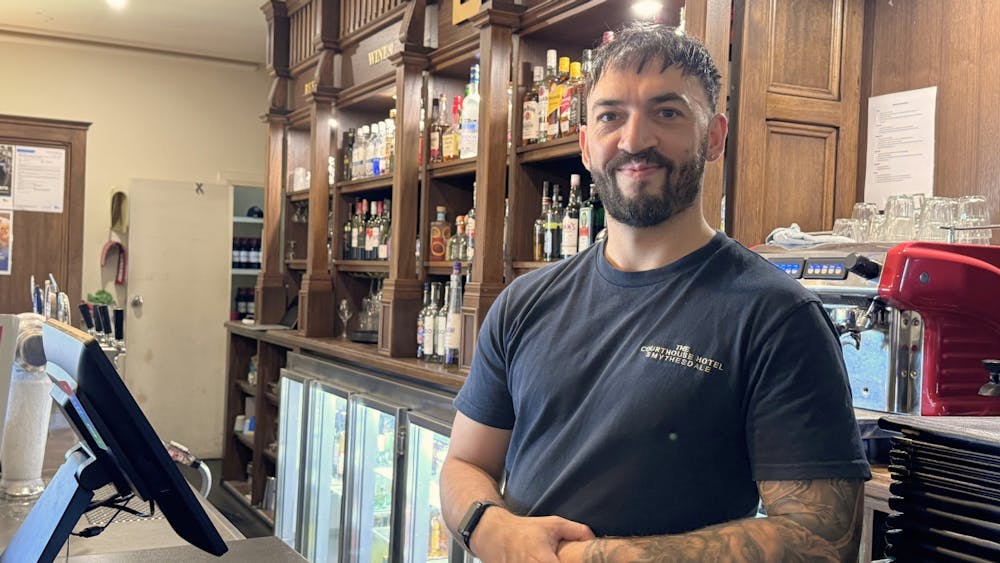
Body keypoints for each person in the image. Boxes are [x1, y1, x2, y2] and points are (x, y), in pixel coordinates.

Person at [440, 23, 870, 563]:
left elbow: (823, 539)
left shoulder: (777, 316)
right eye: (610, 116)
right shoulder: (524, 302)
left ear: (714, 136)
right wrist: (492, 528)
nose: (634, 138)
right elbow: (466, 463)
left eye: (667, 113)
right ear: (586, 146)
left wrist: (594, 558)